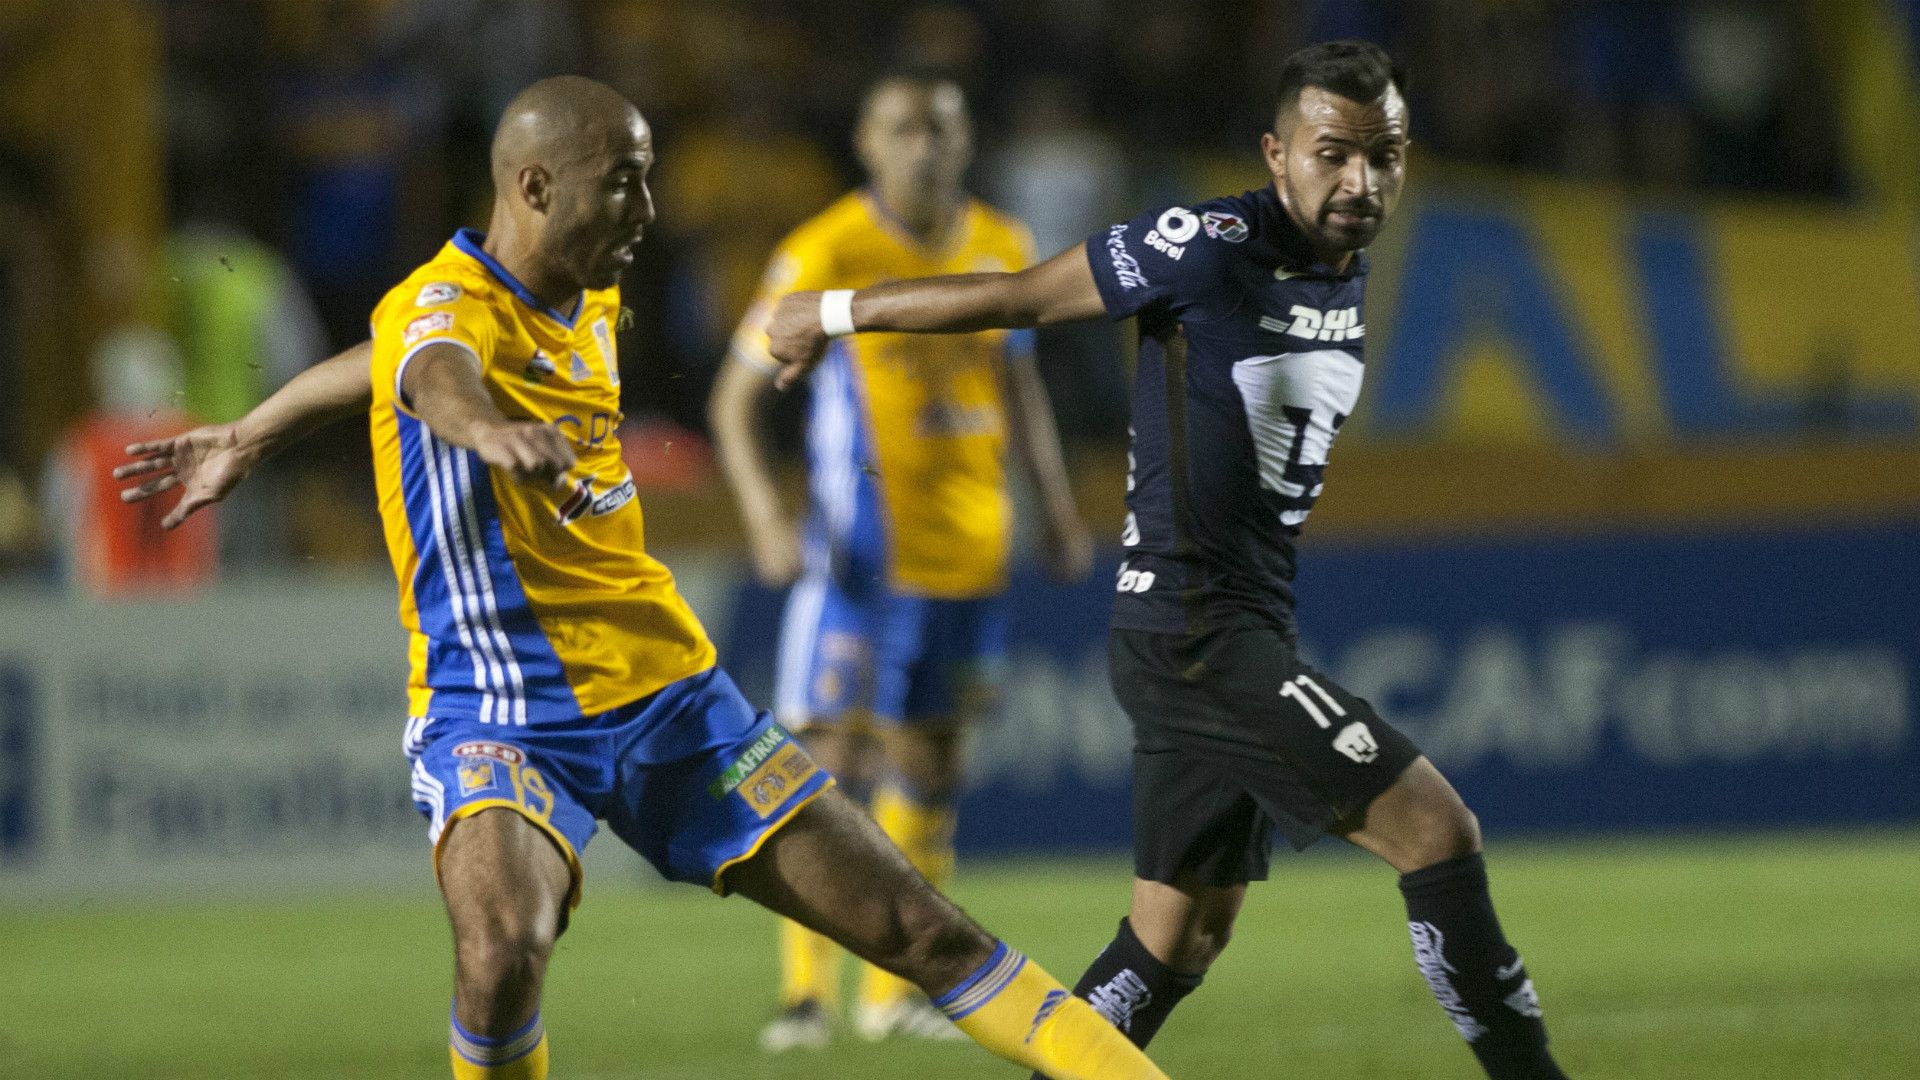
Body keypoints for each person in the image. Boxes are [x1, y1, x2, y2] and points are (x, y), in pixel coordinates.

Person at [114, 76, 1173, 1080]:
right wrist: (485, 430)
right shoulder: (448, 305)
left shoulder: (587, 297)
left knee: (922, 930)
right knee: (500, 953)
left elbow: (373, 362)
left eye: (649, 176)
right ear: (534, 187)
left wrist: (258, 427)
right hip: (500, 713)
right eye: (622, 180)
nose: (648, 208)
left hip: (673, 700)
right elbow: (429, 373)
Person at [763, 41, 1575, 1080]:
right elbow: (1019, 297)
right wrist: (832, 313)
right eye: (1334, 154)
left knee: (1174, 940)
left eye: (1387, 156)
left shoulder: (1341, 266)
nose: (1360, 182)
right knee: (1437, 830)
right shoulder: (1207, 242)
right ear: (1278, 154)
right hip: (1196, 631)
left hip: (1230, 627)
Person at [709, 71, 1093, 1049]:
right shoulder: (826, 247)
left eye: (942, 128)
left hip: (967, 552)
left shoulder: (1003, 244)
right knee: (827, 761)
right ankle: (805, 994)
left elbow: (1021, 389)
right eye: (903, 128)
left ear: (965, 144)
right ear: (867, 143)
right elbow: (734, 398)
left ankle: (893, 996)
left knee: (930, 760)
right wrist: (763, 515)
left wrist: (1054, 509)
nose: (924, 145)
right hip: (858, 559)